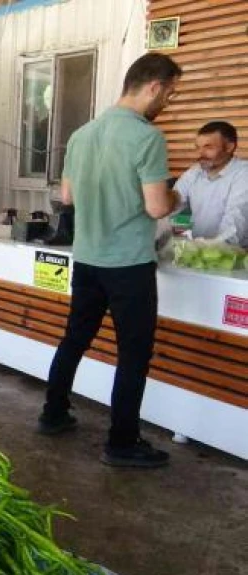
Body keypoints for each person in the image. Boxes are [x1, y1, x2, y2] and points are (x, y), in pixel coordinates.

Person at [38, 53, 182, 469]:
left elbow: (68, 198)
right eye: (170, 93)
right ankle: (121, 441)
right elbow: (157, 208)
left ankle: (54, 413)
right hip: (128, 264)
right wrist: (177, 195)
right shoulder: (147, 138)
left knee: (75, 338)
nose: (168, 102)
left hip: (87, 258)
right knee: (133, 353)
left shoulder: (83, 134)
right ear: (153, 86)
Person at [172, 121, 248, 247]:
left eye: (208, 147)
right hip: (198, 253)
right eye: (198, 147)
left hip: (235, 254)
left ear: (229, 147)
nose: (200, 154)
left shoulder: (243, 174)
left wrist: (212, 249)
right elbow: (178, 209)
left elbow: (236, 219)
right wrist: (182, 242)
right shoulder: (193, 173)